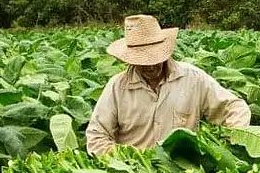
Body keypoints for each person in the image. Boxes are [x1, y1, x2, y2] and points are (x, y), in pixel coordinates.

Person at [86, 14, 251, 156]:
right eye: (142, 61)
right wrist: (132, 159)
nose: (150, 66)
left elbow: (235, 108)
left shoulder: (193, 78)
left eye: (155, 59)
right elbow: (96, 137)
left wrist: (231, 142)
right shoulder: (117, 87)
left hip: (183, 170)